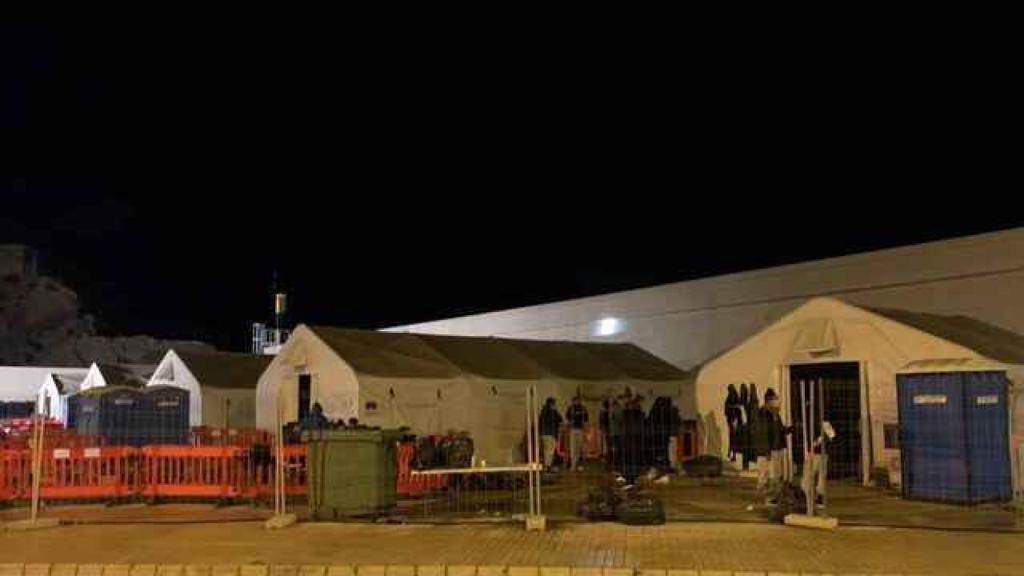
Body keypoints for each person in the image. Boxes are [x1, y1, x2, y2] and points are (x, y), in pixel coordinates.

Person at [762, 388, 791, 489]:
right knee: (772, 472)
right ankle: (772, 489)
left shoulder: (776, 415)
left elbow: (780, 429)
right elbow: (765, 433)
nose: (776, 401)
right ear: (769, 401)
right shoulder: (765, 414)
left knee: (778, 471)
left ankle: (776, 488)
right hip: (771, 447)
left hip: (778, 446)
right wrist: (766, 449)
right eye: (774, 399)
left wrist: (789, 429)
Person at [566, 395, 589, 471]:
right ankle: (573, 464)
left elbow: (586, 419)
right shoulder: (570, 408)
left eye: (577, 400)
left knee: (580, 447)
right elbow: (568, 417)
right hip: (573, 429)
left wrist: (585, 428)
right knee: (573, 447)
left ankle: (579, 463)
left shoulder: (583, 408)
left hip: (580, 429)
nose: (576, 402)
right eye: (575, 401)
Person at [538, 397, 563, 469]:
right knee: (549, 451)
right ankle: (548, 466)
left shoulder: (544, 411)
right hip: (550, 433)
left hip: (546, 433)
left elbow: (540, 422)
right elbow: (559, 419)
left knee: (548, 451)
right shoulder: (550, 412)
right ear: (551, 404)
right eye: (554, 404)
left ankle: (548, 466)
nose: (555, 405)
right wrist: (555, 411)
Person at [724, 384, 742, 461]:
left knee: (733, 437)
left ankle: (732, 454)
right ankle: (731, 453)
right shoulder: (733, 398)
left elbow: (727, 410)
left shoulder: (732, 398)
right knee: (732, 437)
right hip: (733, 420)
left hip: (733, 420)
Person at [608, 397, 624, 470]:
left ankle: (614, 462)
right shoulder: (617, 411)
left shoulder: (613, 411)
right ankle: (616, 462)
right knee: (616, 448)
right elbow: (620, 419)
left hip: (615, 432)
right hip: (616, 432)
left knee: (615, 448)